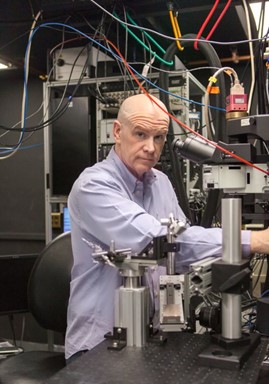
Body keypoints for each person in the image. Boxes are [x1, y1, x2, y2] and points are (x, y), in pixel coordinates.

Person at [65, 93, 269, 362]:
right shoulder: (93, 186)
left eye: (159, 137)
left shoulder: (160, 181)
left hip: (153, 337)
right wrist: (253, 240)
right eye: (140, 134)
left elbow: (182, 242)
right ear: (117, 131)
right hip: (99, 344)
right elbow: (159, 243)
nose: (151, 147)